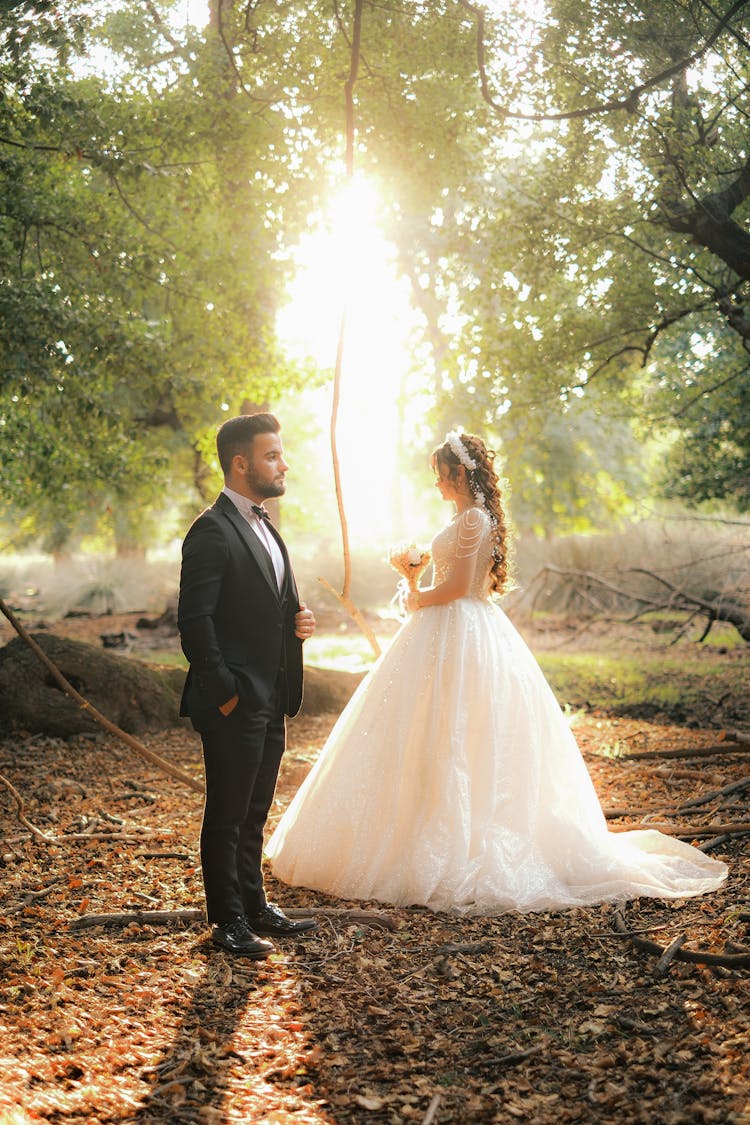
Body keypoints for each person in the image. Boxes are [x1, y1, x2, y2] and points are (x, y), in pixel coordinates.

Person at [267, 431, 727, 914]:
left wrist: (420, 597)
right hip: (446, 630)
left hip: (462, 631)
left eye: (440, 475)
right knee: (426, 725)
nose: (437, 484)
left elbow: (464, 587)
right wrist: (413, 579)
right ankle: (420, 824)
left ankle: (458, 839)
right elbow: (455, 580)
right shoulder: (466, 517)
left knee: (462, 728)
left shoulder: (473, 518)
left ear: (459, 474)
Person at [178, 412, 317, 957]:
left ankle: (256, 906)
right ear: (241, 463)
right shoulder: (211, 530)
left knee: (256, 809)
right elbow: (195, 620)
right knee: (227, 812)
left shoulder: (266, 525)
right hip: (235, 700)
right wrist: (226, 690)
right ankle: (228, 921)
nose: (283, 463)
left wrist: (297, 624)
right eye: (272, 455)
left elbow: (272, 604)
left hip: (272, 695)